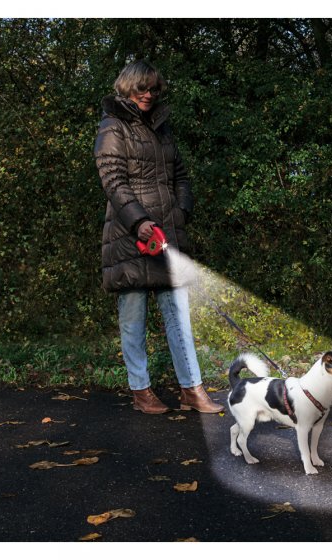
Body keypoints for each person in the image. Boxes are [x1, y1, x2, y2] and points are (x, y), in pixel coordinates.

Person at [94, 60, 224, 414]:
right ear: (127, 87)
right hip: (129, 237)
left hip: (168, 236)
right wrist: (139, 223)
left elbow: (180, 175)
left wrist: (181, 213)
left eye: (154, 89)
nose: (149, 94)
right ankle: (141, 392)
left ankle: (191, 390)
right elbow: (113, 181)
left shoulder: (162, 128)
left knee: (179, 315)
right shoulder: (112, 127)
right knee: (133, 317)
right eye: (142, 88)